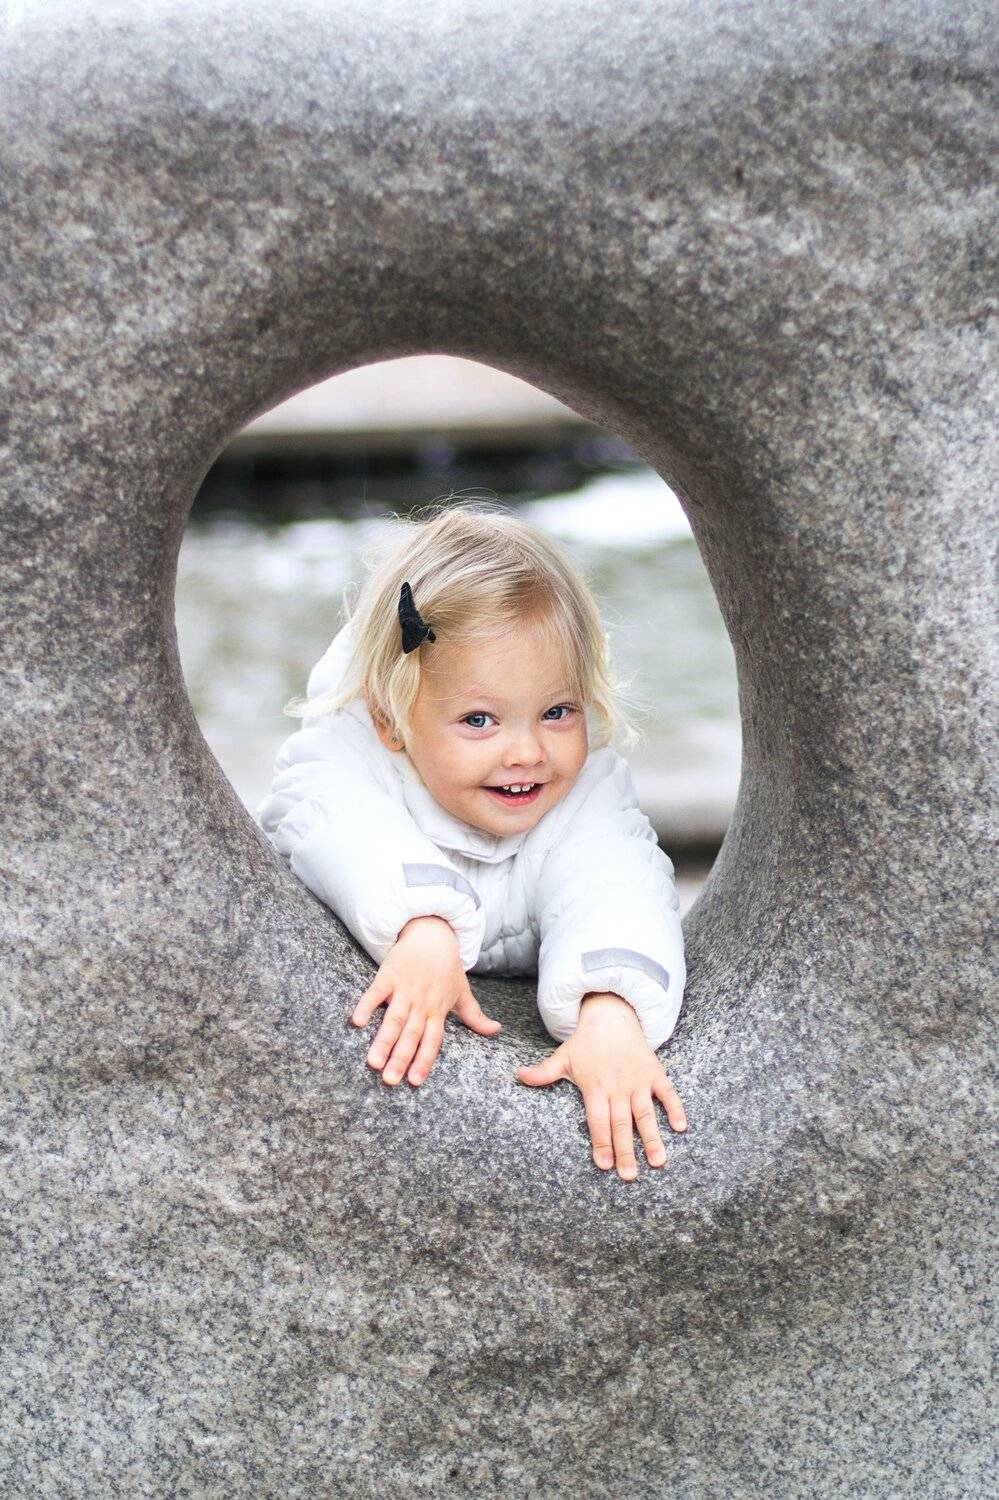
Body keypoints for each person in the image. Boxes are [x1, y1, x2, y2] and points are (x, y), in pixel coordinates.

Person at [257, 498, 688, 1180]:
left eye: (556, 711)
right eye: (480, 720)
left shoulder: (585, 790)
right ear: (391, 717)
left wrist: (611, 1008)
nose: (526, 752)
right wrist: (421, 922)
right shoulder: (350, 752)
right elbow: (323, 814)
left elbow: (616, 881)